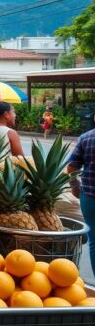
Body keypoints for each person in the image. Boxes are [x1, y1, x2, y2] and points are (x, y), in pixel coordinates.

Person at [67, 115, 95, 271]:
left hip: (90, 198)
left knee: (94, 241)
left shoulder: (87, 137)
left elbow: (72, 167)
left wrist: (75, 186)